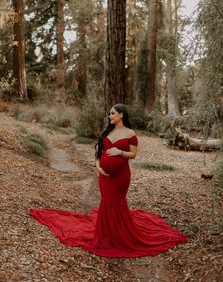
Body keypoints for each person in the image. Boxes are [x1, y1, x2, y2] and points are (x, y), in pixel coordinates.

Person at [30, 103, 187, 257]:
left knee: (117, 201)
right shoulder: (107, 132)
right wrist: (98, 166)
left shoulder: (130, 134)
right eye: (110, 113)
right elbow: (98, 151)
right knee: (106, 201)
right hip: (104, 176)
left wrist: (119, 151)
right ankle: (106, 233)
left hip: (121, 176)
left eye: (112, 113)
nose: (109, 116)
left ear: (121, 115)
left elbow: (133, 155)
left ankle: (119, 234)